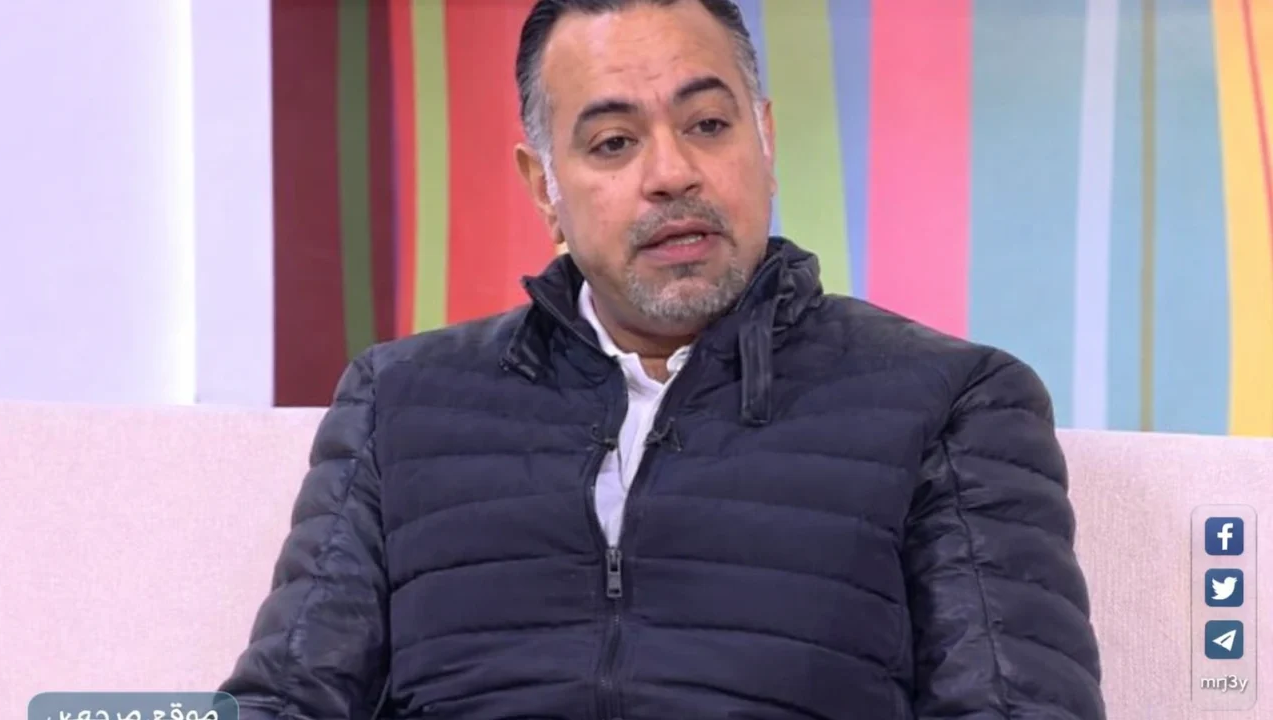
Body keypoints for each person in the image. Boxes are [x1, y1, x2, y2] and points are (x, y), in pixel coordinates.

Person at [220, 0, 1106, 718]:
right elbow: (280, 700)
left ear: (764, 142)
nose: (672, 172)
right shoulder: (401, 400)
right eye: (614, 142)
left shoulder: (951, 399)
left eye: (708, 124)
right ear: (544, 188)